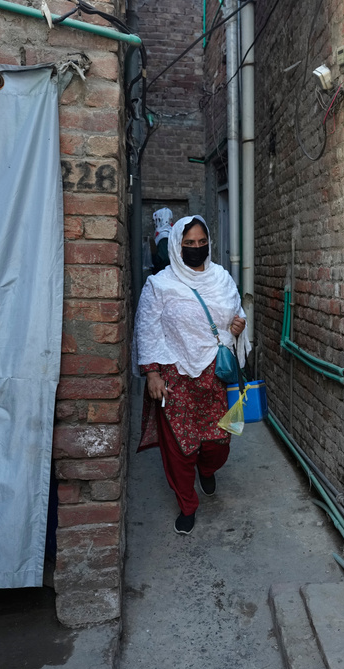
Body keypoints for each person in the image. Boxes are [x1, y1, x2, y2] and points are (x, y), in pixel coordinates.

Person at [133, 215, 249, 535]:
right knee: (180, 449)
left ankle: (208, 468)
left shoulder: (222, 279)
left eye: (201, 242)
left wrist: (237, 327)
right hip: (175, 377)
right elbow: (148, 329)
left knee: (218, 442)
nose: (196, 248)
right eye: (189, 244)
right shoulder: (160, 286)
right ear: (176, 246)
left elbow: (235, 318)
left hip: (214, 374)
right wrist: (153, 375)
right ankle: (187, 503)